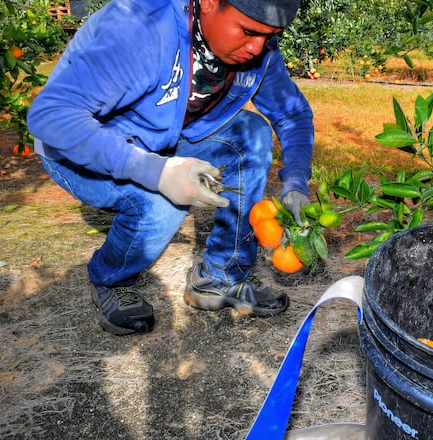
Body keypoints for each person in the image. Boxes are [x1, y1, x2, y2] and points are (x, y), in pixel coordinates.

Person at [27, 0, 314, 335]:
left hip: (164, 137)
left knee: (251, 134)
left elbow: (292, 114)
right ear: (209, 3)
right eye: (248, 31)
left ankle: (220, 277)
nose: (256, 48)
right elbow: (51, 117)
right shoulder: (139, 25)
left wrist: (296, 182)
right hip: (81, 147)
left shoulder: (259, 49)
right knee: (162, 205)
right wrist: (158, 173)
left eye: (270, 36)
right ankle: (111, 278)